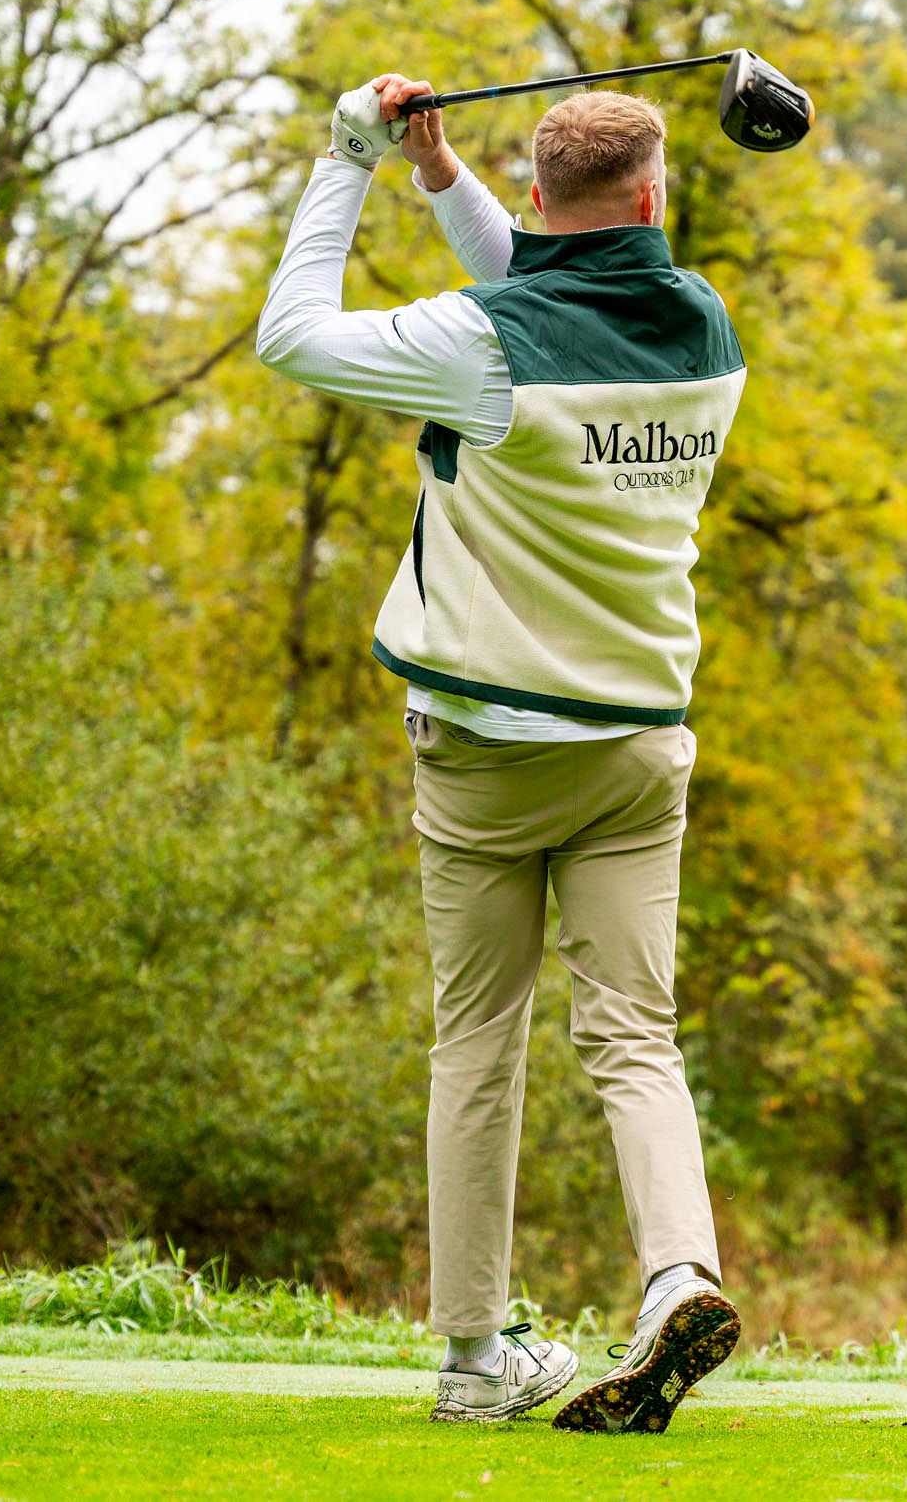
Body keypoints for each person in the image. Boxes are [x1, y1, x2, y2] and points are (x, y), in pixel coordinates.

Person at [255, 74, 744, 1432]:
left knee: (478, 1041)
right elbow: (544, 307)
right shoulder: (705, 332)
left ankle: (477, 1359)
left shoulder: (482, 344)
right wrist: (442, 182)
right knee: (635, 1038)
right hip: (639, 748)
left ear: (541, 200)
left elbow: (292, 336)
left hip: (486, 753)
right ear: (653, 201)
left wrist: (353, 156)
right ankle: (677, 1274)